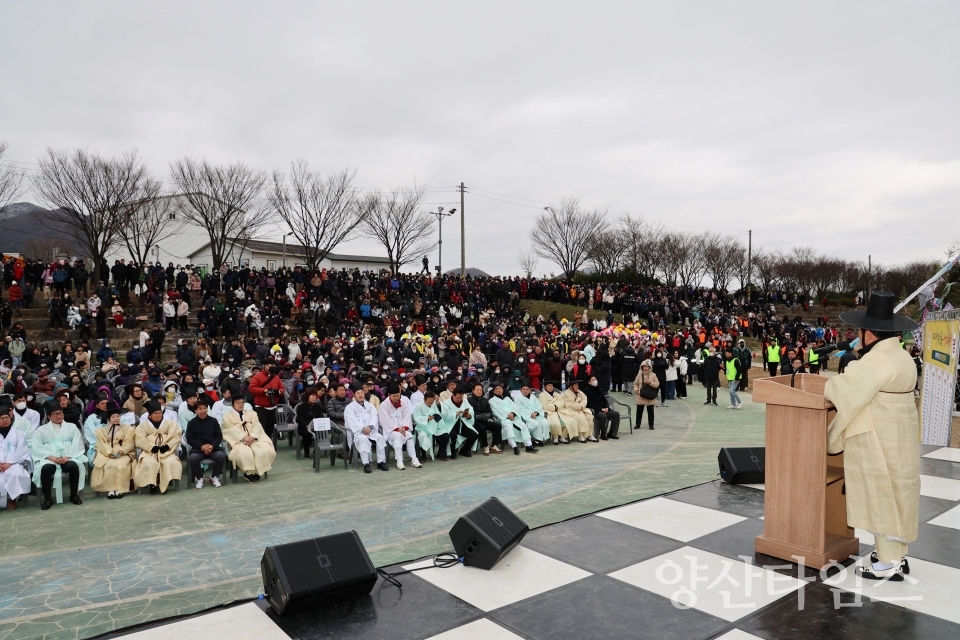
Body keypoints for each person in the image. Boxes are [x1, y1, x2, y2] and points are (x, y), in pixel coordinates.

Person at [823, 291, 920, 581]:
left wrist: (850, 366)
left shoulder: (877, 361)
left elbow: (843, 389)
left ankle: (887, 563)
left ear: (868, 334)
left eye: (860, 332)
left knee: (881, 496)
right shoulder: (901, 355)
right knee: (898, 494)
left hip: (877, 436)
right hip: (898, 436)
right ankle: (897, 555)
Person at [32, 404, 86, 509]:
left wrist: (68, 456)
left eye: (60, 413)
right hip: (50, 458)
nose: (58, 416)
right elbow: (37, 446)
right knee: (46, 468)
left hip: (67, 457)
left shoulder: (72, 427)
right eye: (55, 414)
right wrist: (50, 457)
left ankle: (73, 495)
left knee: (74, 466)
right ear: (49, 416)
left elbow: (77, 443)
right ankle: (48, 498)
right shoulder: (41, 430)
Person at [221, 395, 277, 482]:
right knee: (244, 453)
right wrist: (243, 437)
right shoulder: (227, 416)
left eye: (242, 402)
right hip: (238, 441)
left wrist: (253, 437)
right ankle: (248, 473)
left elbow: (257, 425)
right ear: (232, 405)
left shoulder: (252, 413)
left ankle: (258, 471)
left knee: (267, 450)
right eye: (237, 402)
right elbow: (228, 429)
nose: (240, 404)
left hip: (254, 439)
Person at [134, 400, 183, 494]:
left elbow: (176, 436)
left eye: (160, 413)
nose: (158, 415)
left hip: (166, 451)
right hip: (150, 452)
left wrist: (167, 446)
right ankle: (153, 484)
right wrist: (151, 448)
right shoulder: (143, 426)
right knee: (149, 462)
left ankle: (165, 482)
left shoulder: (170, 423)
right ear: (149, 415)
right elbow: (139, 439)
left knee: (170, 461)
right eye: (155, 413)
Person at [89, 407, 136, 499]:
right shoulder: (101, 430)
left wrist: (121, 451)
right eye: (113, 417)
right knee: (109, 465)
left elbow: (130, 441)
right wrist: (109, 453)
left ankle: (120, 489)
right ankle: (111, 489)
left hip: (124, 452)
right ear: (109, 419)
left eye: (118, 416)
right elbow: (100, 443)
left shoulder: (128, 428)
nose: (116, 418)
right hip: (107, 453)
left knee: (122, 465)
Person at [377, 382, 421, 470]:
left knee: (409, 436)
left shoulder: (404, 403)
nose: (396, 398)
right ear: (389, 395)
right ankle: (399, 460)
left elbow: (407, 417)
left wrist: (404, 428)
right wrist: (397, 429)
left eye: (398, 395)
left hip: (403, 429)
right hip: (390, 430)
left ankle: (414, 458)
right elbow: (384, 420)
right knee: (397, 436)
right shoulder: (384, 405)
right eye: (394, 396)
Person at [344, 388, 386, 473]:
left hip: (371, 431)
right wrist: (363, 429)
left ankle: (381, 462)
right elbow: (352, 421)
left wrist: (370, 427)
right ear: (354, 395)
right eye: (358, 393)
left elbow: (374, 418)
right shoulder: (349, 408)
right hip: (358, 432)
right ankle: (366, 464)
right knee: (363, 439)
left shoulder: (370, 406)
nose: (360, 395)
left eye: (362, 393)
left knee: (380, 437)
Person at [489, 382, 538, 454]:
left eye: (500, 388)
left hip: (514, 417)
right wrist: (508, 416)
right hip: (503, 419)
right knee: (508, 427)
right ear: (494, 391)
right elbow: (497, 411)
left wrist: (513, 414)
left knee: (523, 426)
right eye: (497, 389)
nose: (499, 390)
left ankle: (529, 445)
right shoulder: (492, 401)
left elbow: (515, 407)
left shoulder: (507, 399)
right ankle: (514, 447)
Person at [186, 397, 225, 488]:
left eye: (205, 408)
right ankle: (200, 478)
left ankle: (214, 476)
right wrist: (201, 447)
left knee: (221, 456)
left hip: (213, 448)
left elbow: (219, 436)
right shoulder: (191, 423)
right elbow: (190, 439)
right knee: (193, 458)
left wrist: (211, 446)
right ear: (195, 411)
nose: (203, 411)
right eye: (200, 409)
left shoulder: (213, 421)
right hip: (198, 449)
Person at [0, 409, 31, 510]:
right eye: (2, 418)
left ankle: (11, 500)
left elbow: (22, 450)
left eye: (7, 418)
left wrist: (9, 463)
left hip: (14, 463)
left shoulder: (19, 433)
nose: (5, 420)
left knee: (14, 474)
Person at [440, 386, 479, 459]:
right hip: (451, 425)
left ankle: (464, 450)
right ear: (453, 395)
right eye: (458, 397)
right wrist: (455, 414)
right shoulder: (446, 403)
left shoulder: (465, 401)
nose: (459, 399)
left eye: (461, 397)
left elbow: (471, 410)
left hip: (463, 425)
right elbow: (444, 416)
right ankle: (453, 452)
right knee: (453, 435)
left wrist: (469, 415)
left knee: (475, 435)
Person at [248, 363, 285, 437]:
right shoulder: (257, 377)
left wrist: (278, 392)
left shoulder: (276, 377)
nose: (270, 367)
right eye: (268, 365)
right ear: (264, 366)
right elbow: (251, 388)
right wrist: (263, 391)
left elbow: (282, 389)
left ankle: (269, 444)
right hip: (261, 407)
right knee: (261, 429)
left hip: (273, 406)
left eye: (272, 365)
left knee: (269, 429)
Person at [467, 381, 502, 455]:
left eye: (480, 390)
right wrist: (476, 416)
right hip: (474, 421)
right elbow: (468, 412)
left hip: (484, 420)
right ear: (473, 391)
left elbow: (490, 412)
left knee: (497, 426)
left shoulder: (485, 400)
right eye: (477, 390)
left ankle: (493, 445)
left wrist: (488, 415)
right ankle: (485, 446)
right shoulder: (469, 400)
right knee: (482, 428)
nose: (479, 392)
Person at [583, 373, 621, 440]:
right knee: (603, 416)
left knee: (616, 414)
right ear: (589, 382)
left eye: (595, 379)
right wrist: (601, 409)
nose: (595, 381)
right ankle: (603, 433)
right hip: (595, 410)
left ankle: (611, 432)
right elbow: (590, 404)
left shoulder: (599, 389)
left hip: (604, 409)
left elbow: (604, 400)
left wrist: (607, 407)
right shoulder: (586, 391)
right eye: (593, 380)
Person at [413, 391, 448, 460]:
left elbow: (440, 414)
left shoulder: (434, 404)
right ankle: (423, 455)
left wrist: (436, 418)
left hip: (434, 426)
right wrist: (427, 419)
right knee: (422, 436)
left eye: (432, 402)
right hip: (423, 427)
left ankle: (440, 453)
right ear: (424, 399)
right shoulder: (418, 406)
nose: (431, 403)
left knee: (445, 435)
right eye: (429, 402)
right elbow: (416, 418)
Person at [515, 381, 549, 445]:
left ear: (530, 390)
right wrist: (530, 414)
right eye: (523, 389)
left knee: (545, 423)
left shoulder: (533, 397)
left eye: (527, 389)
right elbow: (519, 409)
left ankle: (542, 439)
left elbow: (539, 406)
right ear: (520, 390)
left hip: (536, 415)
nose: (525, 391)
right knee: (535, 424)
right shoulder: (517, 398)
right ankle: (535, 440)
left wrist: (536, 413)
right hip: (526, 417)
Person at [294, 387, 324, 460]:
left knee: (321, 432)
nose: (314, 398)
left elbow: (320, 416)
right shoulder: (301, 407)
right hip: (304, 426)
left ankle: (316, 450)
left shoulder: (318, 406)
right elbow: (299, 418)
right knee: (307, 434)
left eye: (315, 396)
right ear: (307, 397)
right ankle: (306, 452)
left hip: (315, 426)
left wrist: (316, 425)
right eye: (312, 396)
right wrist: (306, 425)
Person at [539, 379, 572, 444]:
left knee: (569, 421)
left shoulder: (556, 394)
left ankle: (562, 437)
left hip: (559, 411)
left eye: (551, 386)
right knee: (555, 423)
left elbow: (562, 402)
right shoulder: (542, 395)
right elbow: (545, 406)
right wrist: (554, 407)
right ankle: (555, 437)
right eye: (549, 386)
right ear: (545, 387)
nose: (550, 387)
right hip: (550, 412)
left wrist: (556, 405)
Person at [633, 360, 659, 430]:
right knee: (639, 411)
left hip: (650, 396)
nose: (645, 368)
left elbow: (657, 384)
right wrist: (637, 390)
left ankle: (651, 425)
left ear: (649, 367)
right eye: (643, 367)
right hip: (640, 396)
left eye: (647, 367)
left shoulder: (653, 375)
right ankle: (637, 424)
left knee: (650, 412)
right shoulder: (639, 375)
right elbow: (635, 384)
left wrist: (651, 383)